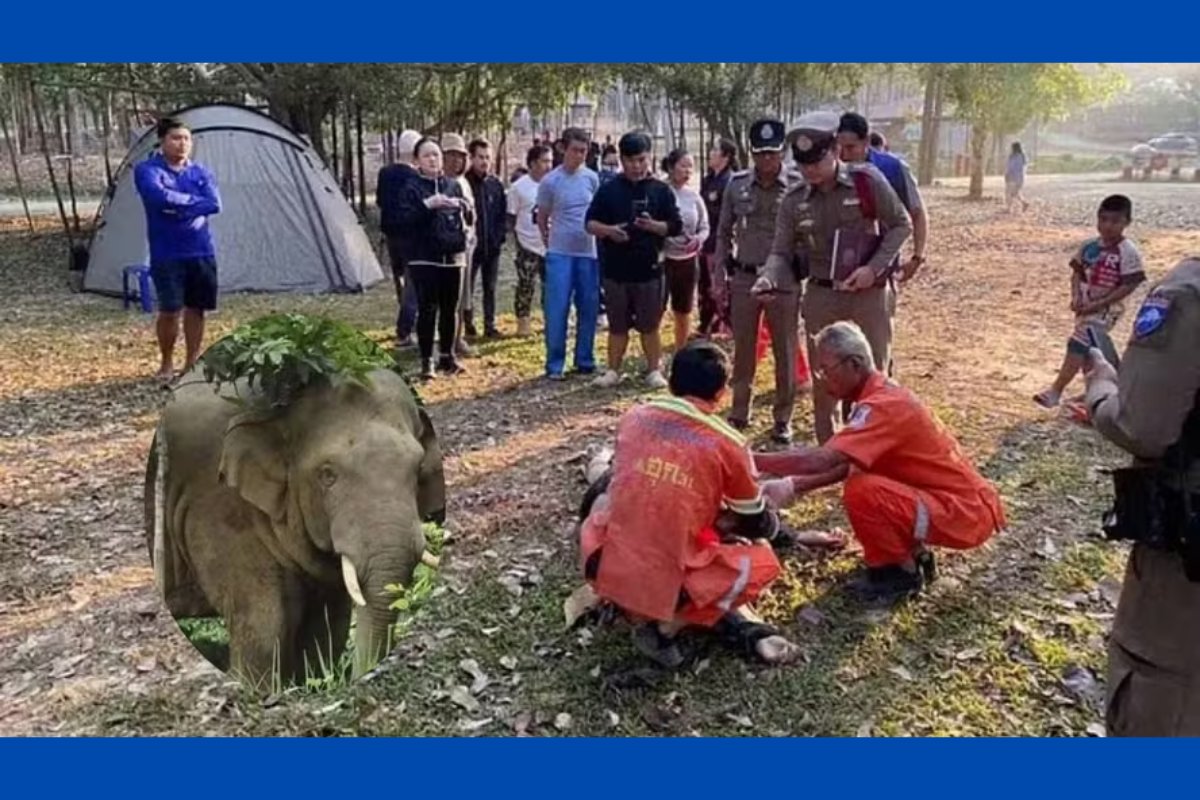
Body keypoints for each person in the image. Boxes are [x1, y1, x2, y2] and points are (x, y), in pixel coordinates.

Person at [578, 341, 802, 667]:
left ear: (670, 382)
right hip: (666, 582)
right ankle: (669, 626)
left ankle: (645, 611)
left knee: (609, 512)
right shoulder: (728, 444)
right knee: (761, 561)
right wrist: (768, 513)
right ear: (722, 393)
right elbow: (755, 522)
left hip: (602, 566)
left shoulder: (634, 417)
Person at [755, 321, 1006, 603]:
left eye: (826, 370)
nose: (821, 379)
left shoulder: (883, 406)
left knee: (862, 491)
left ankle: (897, 574)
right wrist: (792, 485)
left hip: (963, 512)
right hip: (959, 505)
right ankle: (912, 556)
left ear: (855, 364)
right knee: (864, 480)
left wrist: (753, 461)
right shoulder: (878, 397)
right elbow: (848, 463)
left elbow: (824, 459)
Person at [1082, 256, 1200, 736]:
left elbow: (1142, 425)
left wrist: (1101, 388)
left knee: (1158, 700)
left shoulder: (1189, 294)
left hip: (1184, 580)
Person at [754, 119, 912, 445]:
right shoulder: (794, 199)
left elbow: (901, 224)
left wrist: (873, 267)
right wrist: (768, 277)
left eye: (817, 162)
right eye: (803, 164)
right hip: (822, 295)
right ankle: (829, 447)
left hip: (867, 294)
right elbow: (781, 251)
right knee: (824, 373)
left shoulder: (865, 181)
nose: (810, 170)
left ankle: (871, 444)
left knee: (871, 371)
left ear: (835, 151)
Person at [712, 119, 804, 443]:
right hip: (745, 277)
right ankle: (739, 411)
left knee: (785, 349)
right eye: (760, 154)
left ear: (782, 152)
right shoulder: (736, 185)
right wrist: (718, 275)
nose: (767, 160)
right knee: (744, 348)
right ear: (752, 153)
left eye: (773, 153)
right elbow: (723, 233)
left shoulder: (797, 183)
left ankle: (783, 418)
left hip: (784, 280)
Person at [585, 131, 683, 390]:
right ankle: (613, 370)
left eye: (641, 160)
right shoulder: (608, 190)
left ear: (649, 158)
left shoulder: (661, 191)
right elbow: (590, 223)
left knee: (650, 326)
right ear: (622, 160)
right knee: (617, 326)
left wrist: (654, 226)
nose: (637, 166)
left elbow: (675, 226)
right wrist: (609, 232)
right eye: (630, 161)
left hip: (650, 270)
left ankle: (653, 370)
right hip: (616, 270)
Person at [837, 112, 929, 379]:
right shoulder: (833, 170)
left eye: (851, 147)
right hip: (840, 273)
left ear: (866, 142)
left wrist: (917, 257)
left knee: (876, 345)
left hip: (879, 271)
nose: (844, 153)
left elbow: (917, 213)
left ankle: (880, 400)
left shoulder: (891, 169)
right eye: (840, 147)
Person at [1034, 194, 1146, 409]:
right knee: (1090, 351)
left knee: (1078, 342)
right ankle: (1098, 393)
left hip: (1106, 310)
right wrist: (1075, 295)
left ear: (1126, 223)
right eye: (1103, 220)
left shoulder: (1127, 251)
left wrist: (1100, 303)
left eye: (1115, 221)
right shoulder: (1089, 246)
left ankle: (1055, 390)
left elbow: (1129, 285)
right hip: (1085, 307)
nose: (1108, 226)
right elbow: (1077, 273)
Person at [133, 116, 222, 382]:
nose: (182, 144)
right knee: (170, 310)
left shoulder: (201, 172)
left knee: (197, 308)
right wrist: (192, 203)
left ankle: (192, 361)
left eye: (186, 138)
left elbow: (214, 204)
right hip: (167, 251)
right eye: (175, 138)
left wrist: (177, 207)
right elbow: (157, 197)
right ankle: (166, 362)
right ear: (162, 141)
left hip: (201, 250)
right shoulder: (148, 170)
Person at [396, 137, 473, 379]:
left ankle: (447, 357)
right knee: (428, 308)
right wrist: (427, 206)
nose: (433, 159)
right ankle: (426, 360)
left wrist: (462, 206)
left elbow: (469, 217)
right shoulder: (410, 187)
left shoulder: (453, 185)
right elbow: (403, 221)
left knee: (450, 309)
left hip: (454, 254)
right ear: (416, 160)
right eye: (427, 155)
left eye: (436, 155)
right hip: (423, 256)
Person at [536, 127, 601, 380]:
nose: (579, 155)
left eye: (584, 151)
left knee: (588, 306)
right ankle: (555, 364)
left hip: (588, 252)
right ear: (564, 148)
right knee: (557, 308)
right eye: (575, 150)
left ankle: (585, 358)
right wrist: (547, 239)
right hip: (560, 252)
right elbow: (542, 216)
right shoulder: (551, 181)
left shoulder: (592, 179)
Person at [661, 148, 710, 353]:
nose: (688, 170)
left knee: (683, 309)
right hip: (662, 258)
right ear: (671, 168)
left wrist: (698, 240)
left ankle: (681, 351)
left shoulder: (694, 196)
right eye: (683, 165)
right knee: (656, 309)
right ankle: (654, 355)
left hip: (688, 260)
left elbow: (705, 226)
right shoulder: (659, 191)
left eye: (691, 166)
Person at [376, 128, 422, 349]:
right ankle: (405, 329)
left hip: (391, 235)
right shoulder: (416, 177)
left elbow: (379, 201)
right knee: (413, 283)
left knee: (400, 279)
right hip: (412, 236)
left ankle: (406, 317)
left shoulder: (385, 173)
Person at [507, 144, 552, 338]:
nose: (549, 165)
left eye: (551, 161)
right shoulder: (519, 188)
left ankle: (552, 320)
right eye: (544, 161)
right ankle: (523, 322)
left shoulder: (554, 184)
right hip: (527, 244)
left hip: (550, 245)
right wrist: (516, 241)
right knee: (526, 285)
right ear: (533, 163)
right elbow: (511, 216)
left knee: (551, 285)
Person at [465, 138, 508, 339]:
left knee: (490, 288)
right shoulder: (463, 184)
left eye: (487, 157)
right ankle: (467, 324)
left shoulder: (495, 185)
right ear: (471, 158)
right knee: (468, 288)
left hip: (492, 247)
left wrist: (499, 238)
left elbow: (502, 214)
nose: (484, 161)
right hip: (471, 248)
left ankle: (489, 324)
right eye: (480, 157)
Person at [441, 133, 478, 358]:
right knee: (446, 299)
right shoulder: (437, 182)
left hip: (465, 246)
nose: (456, 161)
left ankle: (458, 338)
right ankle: (445, 342)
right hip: (443, 248)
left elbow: (472, 214)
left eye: (460, 156)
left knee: (463, 296)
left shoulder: (463, 182)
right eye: (451, 155)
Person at [698, 138, 737, 338]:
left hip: (719, 242)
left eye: (715, 150)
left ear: (726, 156)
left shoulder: (730, 181)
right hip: (704, 241)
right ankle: (707, 323)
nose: (711, 153)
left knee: (719, 284)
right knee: (705, 284)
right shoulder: (708, 180)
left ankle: (726, 325)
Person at [1005, 141, 1030, 213]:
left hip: (1013, 177)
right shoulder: (1023, 156)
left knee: (1009, 193)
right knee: (1016, 193)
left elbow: (1010, 167)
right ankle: (1024, 203)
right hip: (1020, 178)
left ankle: (1009, 208)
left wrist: (1007, 174)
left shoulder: (1012, 157)